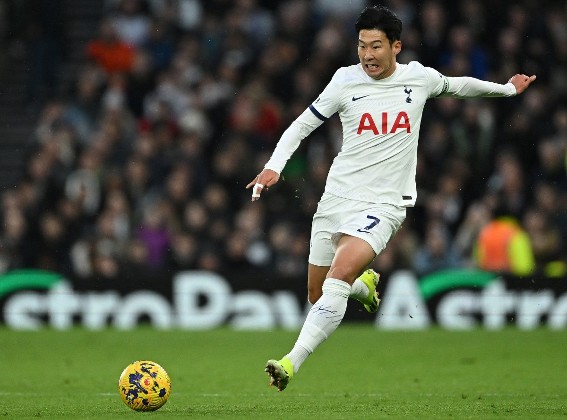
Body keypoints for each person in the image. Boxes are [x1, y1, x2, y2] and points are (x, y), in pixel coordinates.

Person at [246, 5, 536, 392]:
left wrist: (507, 89)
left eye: (376, 46)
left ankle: (289, 363)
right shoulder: (344, 81)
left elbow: (460, 85)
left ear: (396, 46)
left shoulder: (418, 79)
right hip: (337, 198)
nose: (367, 55)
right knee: (317, 294)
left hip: (385, 204)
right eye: (361, 45)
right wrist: (274, 166)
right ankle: (363, 288)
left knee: (337, 277)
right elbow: (302, 125)